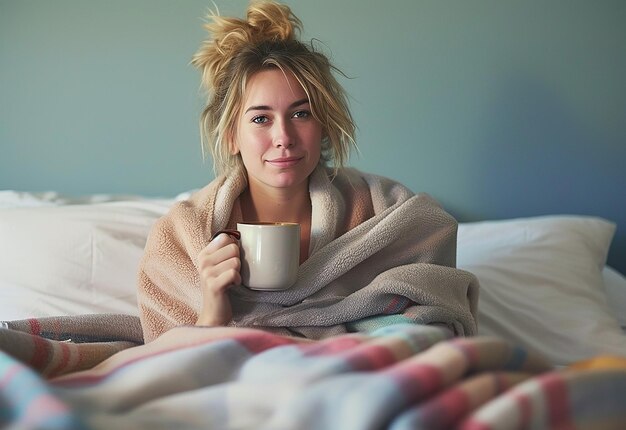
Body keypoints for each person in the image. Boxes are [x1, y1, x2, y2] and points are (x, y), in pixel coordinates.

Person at [137, 0, 479, 343]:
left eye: (301, 114)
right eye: (260, 119)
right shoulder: (181, 238)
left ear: (324, 125)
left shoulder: (385, 210)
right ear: (230, 137)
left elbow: (433, 303)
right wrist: (212, 311)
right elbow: (167, 362)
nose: (283, 137)